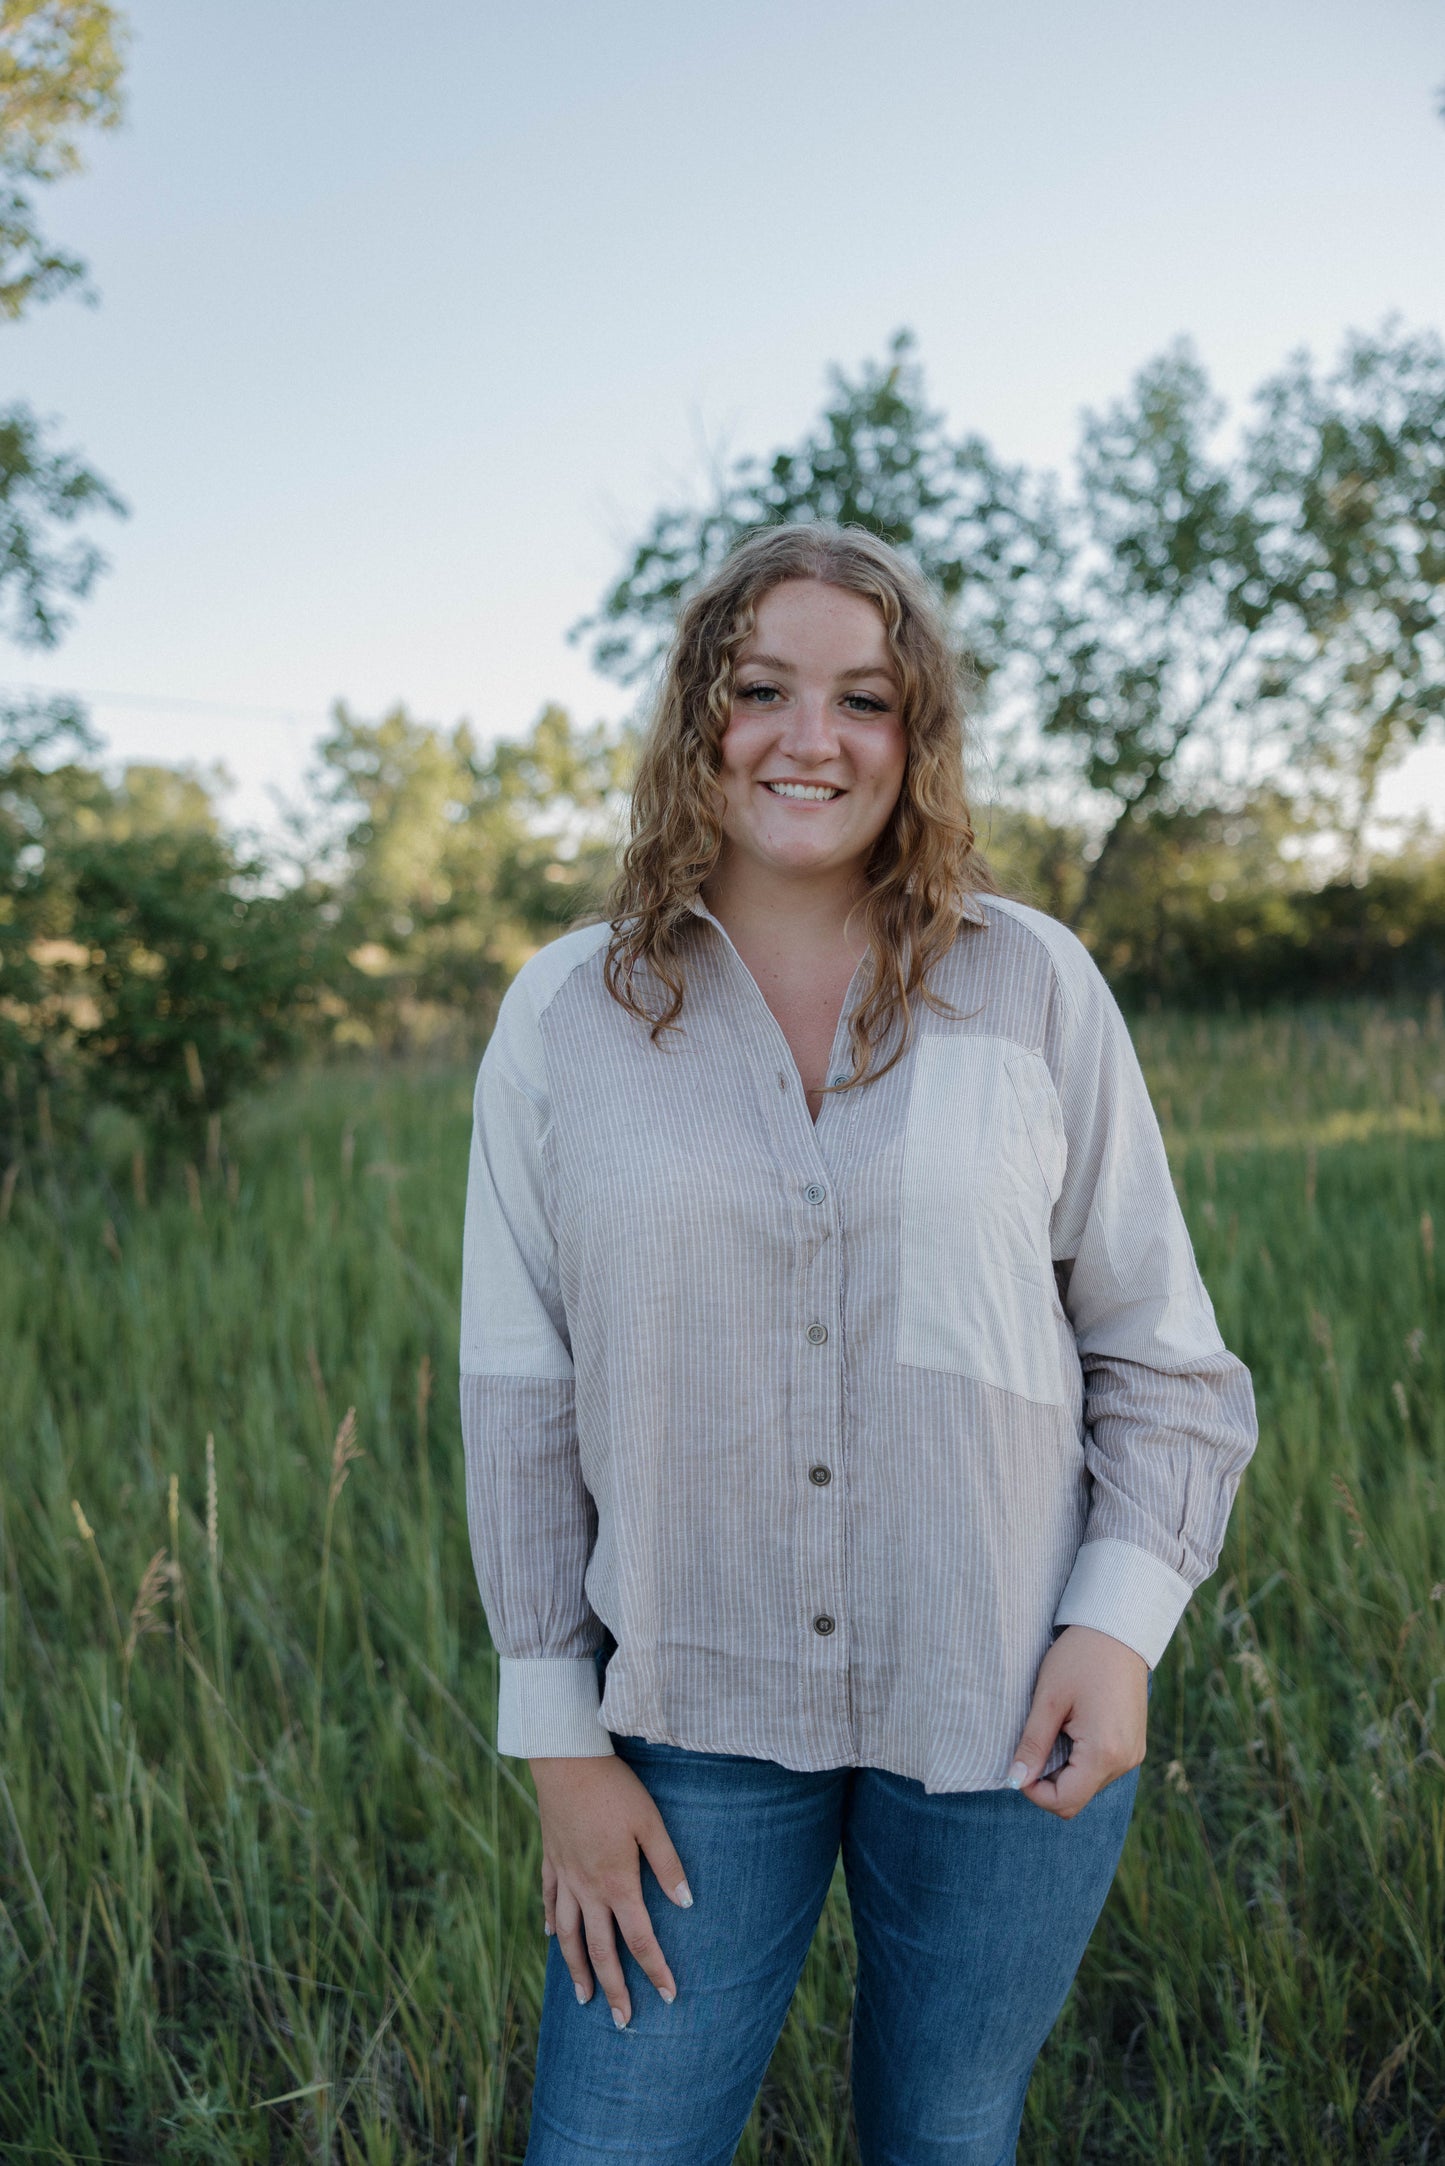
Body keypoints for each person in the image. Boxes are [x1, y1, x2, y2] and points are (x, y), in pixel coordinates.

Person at [459, 522, 1258, 2164]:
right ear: (700, 717)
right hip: (687, 1713)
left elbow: (1157, 1349)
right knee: (610, 2138)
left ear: (919, 736)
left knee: (946, 2131)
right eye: (760, 689)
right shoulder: (566, 1014)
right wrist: (559, 1739)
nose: (808, 739)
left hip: (1000, 1692)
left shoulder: (1032, 985)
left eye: (864, 698)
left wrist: (1116, 1627)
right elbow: (520, 1391)